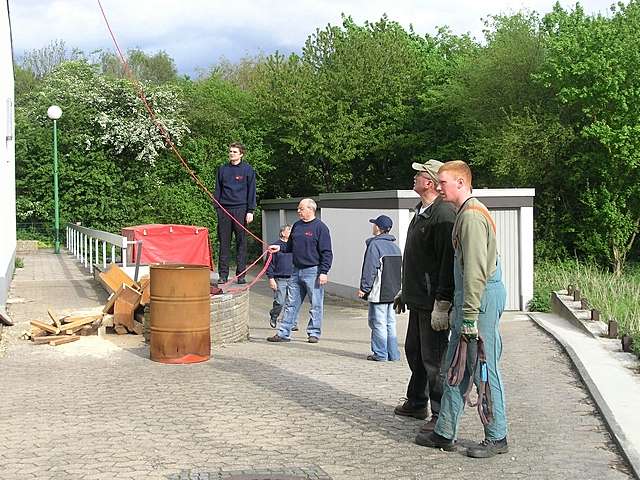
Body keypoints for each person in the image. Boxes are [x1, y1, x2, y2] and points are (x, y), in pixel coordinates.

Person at [415, 160, 508, 459]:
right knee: (455, 367)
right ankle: (444, 432)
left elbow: (475, 273)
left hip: (478, 301)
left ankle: (497, 436)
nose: (438, 187)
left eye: (442, 182)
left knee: (483, 367)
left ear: (461, 183)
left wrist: (468, 316)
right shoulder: (463, 214)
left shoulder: (471, 217)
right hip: (471, 301)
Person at [393, 160, 456, 432]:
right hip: (417, 298)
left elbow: (446, 263)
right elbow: (417, 260)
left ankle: (441, 414)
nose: (414, 179)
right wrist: (405, 290)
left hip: (432, 302)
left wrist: (442, 303)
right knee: (415, 352)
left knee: (435, 359)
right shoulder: (422, 211)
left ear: (429, 182)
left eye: (418, 175)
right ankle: (417, 402)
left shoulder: (443, 215)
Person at [266, 198, 333, 344]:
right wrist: (279, 248)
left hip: (313, 271)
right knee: (291, 303)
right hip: (296, 270)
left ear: (310, 209)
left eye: (301, 209)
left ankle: (314, 333)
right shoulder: (296, 226)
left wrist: (324, 272)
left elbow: (327, 252)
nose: (298, 211)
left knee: (315, 304)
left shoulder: (320, 228)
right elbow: (289, 246)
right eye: (298, 209)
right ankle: (284, 333)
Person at [357, 215, 402, 362]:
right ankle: (393, 354)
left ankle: (380, 354)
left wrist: (364, 288)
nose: (373, 226)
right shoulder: (395, 247)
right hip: (394, 292)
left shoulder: (374, 246)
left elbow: (369, 268)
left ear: (378, 228)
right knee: (390, 322)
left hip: (379, 291)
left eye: (374, 224)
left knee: (378, 323)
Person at [214, 142, 256, 284]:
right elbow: (218, 190)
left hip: (241, 209)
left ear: (241, 154)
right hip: (224, 209)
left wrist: (250, 211)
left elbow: (252, 191)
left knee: (241, 243)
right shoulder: (222, 169)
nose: (232, 153)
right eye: (230, 151)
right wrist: (218, 208)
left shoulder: (248, 170)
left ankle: (241, 274)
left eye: (235, 152)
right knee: (224, 243)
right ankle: (223, 275)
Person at [266, 224, 293, 329]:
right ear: (282, 233)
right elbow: (269, 265)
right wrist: (271, 279)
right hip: (280, 278)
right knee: (280, 301)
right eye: (289, 231)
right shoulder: (274, 247)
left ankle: (291, 322)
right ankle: (274, 315)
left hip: (292, 278)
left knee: (292, 302)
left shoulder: (294, 246)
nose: (291, 233)